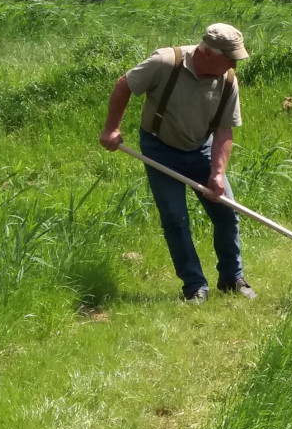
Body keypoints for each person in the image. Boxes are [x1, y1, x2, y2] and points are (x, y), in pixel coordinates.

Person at [99, 23, 256, 303]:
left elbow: (223, 130)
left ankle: (232, 278)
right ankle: (195, 286)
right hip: (159, 149)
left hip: (201, 149)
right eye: (229, 57)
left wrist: (217, 174)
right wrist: (112, 128)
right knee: (175, 219)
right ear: (207, 52)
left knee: (227, 214)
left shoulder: (228, 80)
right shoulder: (164, 62)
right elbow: (124, 85)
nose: (234, 63)